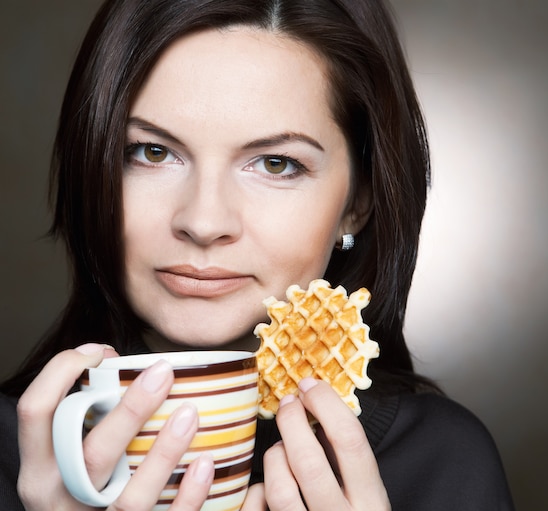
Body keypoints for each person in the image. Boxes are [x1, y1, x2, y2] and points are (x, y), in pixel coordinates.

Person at [0, 0, 515, 509]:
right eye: (152, 152)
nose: (204, 222)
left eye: (275, 164)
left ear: (357, 204)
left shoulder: (444, 464)